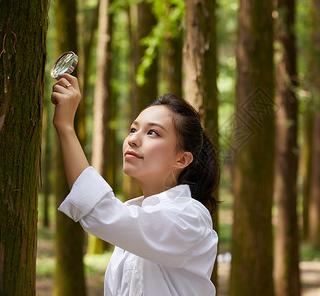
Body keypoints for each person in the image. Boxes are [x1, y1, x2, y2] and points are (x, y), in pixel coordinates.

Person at [51, 73, 219, 296]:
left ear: (182, 159)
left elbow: (102, 214)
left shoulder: (190, 218)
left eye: (152, 132)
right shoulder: (134, 215)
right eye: (133, 129)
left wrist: (66, 128)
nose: (133, 139)